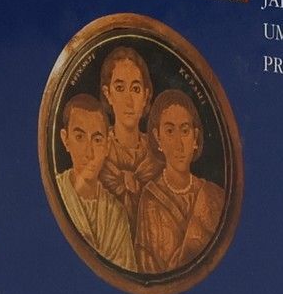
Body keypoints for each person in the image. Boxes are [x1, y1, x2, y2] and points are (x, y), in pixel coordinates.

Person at [133, 87, 225, 274]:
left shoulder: (215, 195)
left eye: (185, 131)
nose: (179, 143)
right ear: (158, 138)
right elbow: (147, 273)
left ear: (195, 138)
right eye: (169, 131)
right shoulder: (150, 199)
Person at [53, 89, 136, 269]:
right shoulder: (54, 192)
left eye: (97, 140)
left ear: (107, 145)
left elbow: (124, 274)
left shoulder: (116, 213)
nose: (89, 153)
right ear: (65, 140)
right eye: (79, 137)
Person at [96, 43, 162, 233]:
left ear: (146, 96)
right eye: (119, 88)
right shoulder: (96, 150)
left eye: (135, 89)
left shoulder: (159, 154)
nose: (128, 100)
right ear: (108, 94)